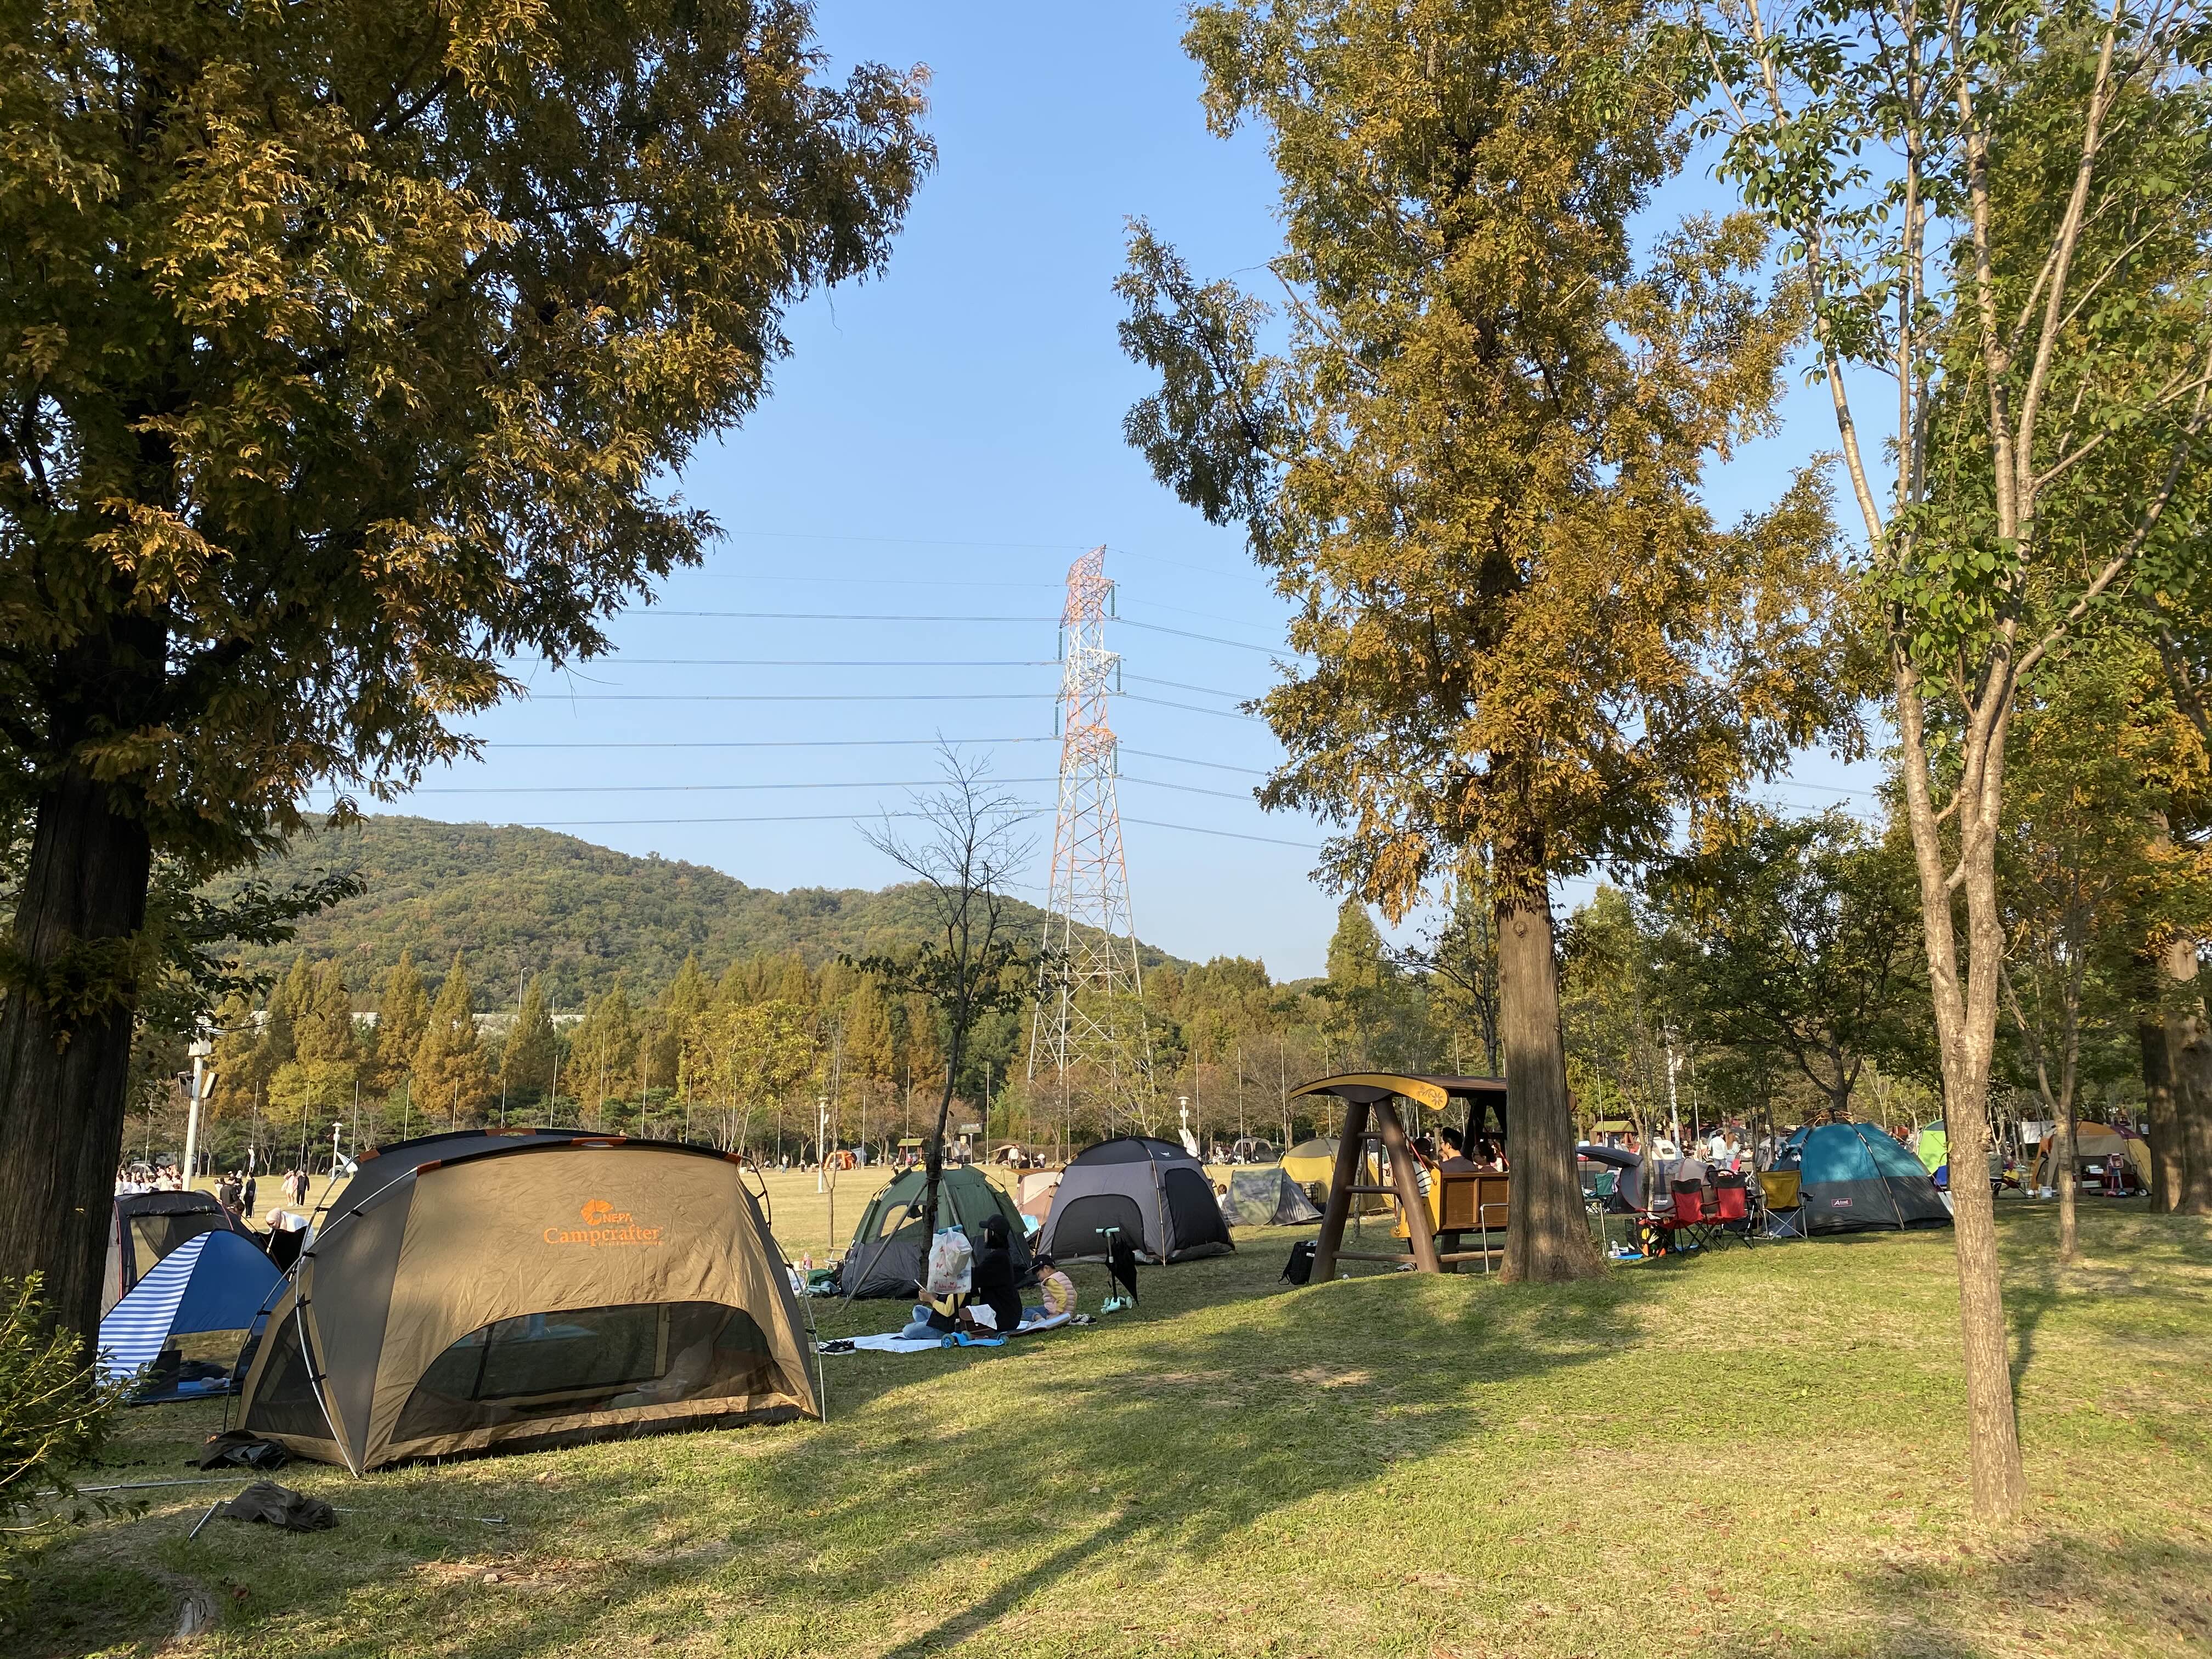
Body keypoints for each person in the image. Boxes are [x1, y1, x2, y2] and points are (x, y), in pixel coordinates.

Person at [967, 1214, 1023, 1336]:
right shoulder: (1002, 1255)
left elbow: (975, 1277)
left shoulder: (998, 1258)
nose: (984, 1233)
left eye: (986, 1230)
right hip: (1009, 1314)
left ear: (992, 1233)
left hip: (1002, 1317)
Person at [1025, 1251, 1077, 1324]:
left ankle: (1040, 1320)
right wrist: (1070, 1311)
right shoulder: (1062, 1276)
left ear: (1047, 1269)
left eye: (1039, 1275)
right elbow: (1074, 1294)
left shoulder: (1050, 1281)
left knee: (1027, 1311)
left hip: (1054, 1312)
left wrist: (1057, 1313)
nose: (1039, 1279)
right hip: (1067, 1313)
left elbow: (1063, 1296)